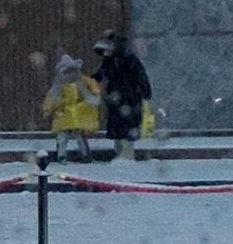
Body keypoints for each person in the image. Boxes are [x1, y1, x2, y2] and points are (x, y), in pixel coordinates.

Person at [91, 30, 153, 161]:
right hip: (118, 98)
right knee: (120, 128)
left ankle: (126, 155)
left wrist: (143, 91)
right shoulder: (113, 59)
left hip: (129, 97)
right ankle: (122, 155)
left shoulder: (127, 59)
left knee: (126, 127)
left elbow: (140, 75)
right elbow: (102, 73)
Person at [41, 53, 101, 162]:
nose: (70, 74)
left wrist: (89, 99)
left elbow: (93, 93)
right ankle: (62, 156)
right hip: (64, 116)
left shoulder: (82, 82)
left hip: (78, 116)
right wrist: (48, 108)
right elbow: (52, 98)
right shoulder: (59, 85)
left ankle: (85, 155)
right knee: (63, 138)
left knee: (78, 137)